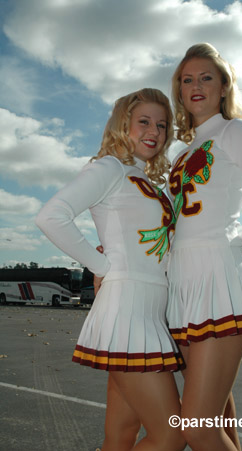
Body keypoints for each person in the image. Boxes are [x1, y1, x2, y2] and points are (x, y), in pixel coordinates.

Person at [35, 88, 186, 451]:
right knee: (171, 436)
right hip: (127, 310)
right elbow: (51, 217)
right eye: (144, 121)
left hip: (151, 311)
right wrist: (101, 264)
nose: (155, 131)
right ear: (123, 125)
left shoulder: (148, 180)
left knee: (120, 435)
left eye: (163, 125)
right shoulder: (109, 168)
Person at [166, 43, 242, 451]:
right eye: (187, 80)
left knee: (196, 428)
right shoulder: (180, 150)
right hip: (182, 286)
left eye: (206, 77)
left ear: (223, 86)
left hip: (219, 278)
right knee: (216, 414)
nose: (196, 86)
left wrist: (233, 249)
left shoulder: (234, 130)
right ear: (179, 91)